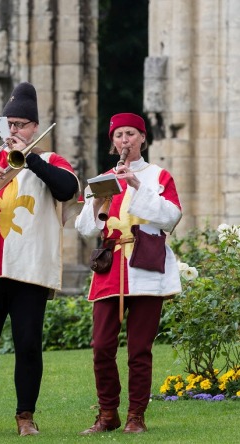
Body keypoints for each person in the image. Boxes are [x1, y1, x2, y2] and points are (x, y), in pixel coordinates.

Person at [0, 82, 79, 437]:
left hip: (31, 269)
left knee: (27, 343)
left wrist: (30, 157)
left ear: (35, 127)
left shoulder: (51, 160)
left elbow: (67, 188)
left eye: (21, 124)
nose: (14, 131)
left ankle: (26, 416)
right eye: (10, 124)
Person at [75, 113, 182, 434]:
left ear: (143, 139)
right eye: (119, 134)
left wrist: (137, 187)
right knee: (102, 346)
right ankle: (108, 413)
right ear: (113, 141)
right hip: (110, 268)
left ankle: (136, 416)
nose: (125, 140)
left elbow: (171, 217)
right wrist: (97, 202)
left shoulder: (158, 175)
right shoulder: (102, 178)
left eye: (131, 134)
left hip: (146, 267)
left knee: (139, 349)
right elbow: (83, 228)